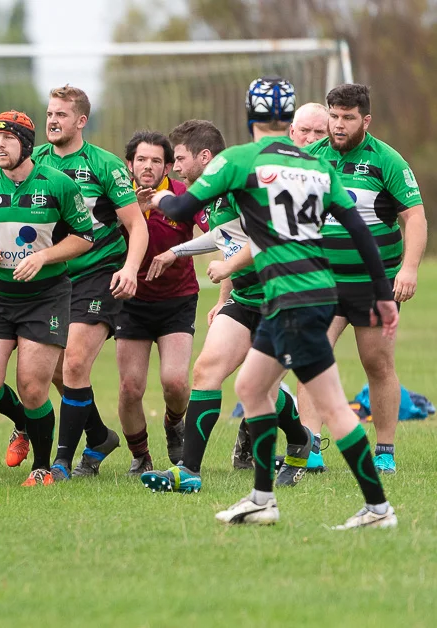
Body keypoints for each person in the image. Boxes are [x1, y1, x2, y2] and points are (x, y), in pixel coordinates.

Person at [154, 76, 399, 529]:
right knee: (250, 388)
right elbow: (360, 229)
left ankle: (378, 509)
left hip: (291, 296)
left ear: (249, 115)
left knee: (333, 407)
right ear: (290, 120)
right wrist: (383, 293)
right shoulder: (316, 166)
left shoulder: (239, 160)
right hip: (307, 292)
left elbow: (182, 213)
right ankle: (262, 498)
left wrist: (162, 195)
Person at [139, 119, 313, 494]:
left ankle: (301, 441)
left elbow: (267, 238)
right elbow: (226, 233)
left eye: (181, 158)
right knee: (205, 371)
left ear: (205, 156)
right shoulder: (215, 192)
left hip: (281, 301)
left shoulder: (241, 182)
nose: (177, 167)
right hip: (246, 298)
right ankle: (188, 471)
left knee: (259, 388)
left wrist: (228, 266)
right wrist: (177, 251)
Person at [0, 111, 95, 487]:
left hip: (45, 296)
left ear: (27, 144)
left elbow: (84, 237)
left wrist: (43, 256)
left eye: (8, 138)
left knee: (34, 387)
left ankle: (42, 467)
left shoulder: (58, 184)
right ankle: (21, 421)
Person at [301, 84, 425, 475]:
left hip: (374, 282)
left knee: (377, 362)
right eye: (333, 116)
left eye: (347, 118)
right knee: (311, 355)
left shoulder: (386, 159)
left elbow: (415, 218)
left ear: (365, 120)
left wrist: (408, 268)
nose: (338, 125)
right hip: (322, 278)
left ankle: (384, 449)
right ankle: (309, 447)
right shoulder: (310, 158)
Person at [32, 85, 149, 480]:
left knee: (76, 363)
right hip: (51, 278)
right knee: (54, 370)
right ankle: (98, 435)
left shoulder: (105, 164)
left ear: (81, 121)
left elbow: (136, 225)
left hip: (98, 274)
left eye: (61, 115)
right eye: (49, 113)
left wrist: (130, 269)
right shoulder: (33, 162)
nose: (52, 120)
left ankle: (63, 462)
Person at [113, 131, 198, 474]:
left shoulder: (182, 196)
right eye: (141, 160)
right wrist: (129, 214)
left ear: (167, 166)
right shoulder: (117, 199)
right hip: (131, 302)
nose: (148, 167)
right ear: (129, 164)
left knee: (175, 382)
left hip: (177, 299)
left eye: (156, 161)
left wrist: (177, 251)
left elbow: (215, 233)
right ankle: (140, 455)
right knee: (130, 388)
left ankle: (174, 422)